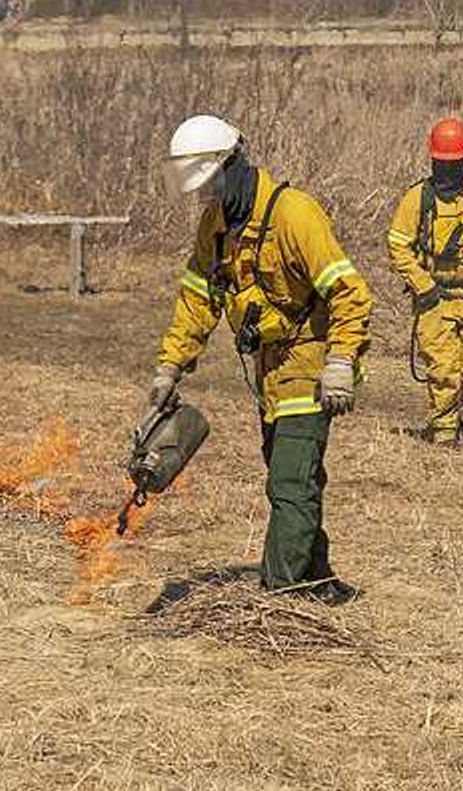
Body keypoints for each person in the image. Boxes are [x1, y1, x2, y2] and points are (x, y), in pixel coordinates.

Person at [150, 115, 374, 606]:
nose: (203, 196)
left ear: (232, 165)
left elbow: (350, 293)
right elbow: (198, 300)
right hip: (269, 369)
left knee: (289, 479)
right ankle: (318, 578)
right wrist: (170, 366)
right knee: (292, 470)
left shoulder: (294, 214)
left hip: (311, 362)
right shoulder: (216, 225)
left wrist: (340, 362)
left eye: (208, 184)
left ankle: (283, 597)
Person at [385, 118, 463, 446]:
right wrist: (422, 284)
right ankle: (443, 437)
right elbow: (398, 243)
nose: (449, 170)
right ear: (433, 161)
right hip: (434, 297)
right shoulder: (417, 199)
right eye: (443, 164)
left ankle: (447, 414)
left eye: (454, 164)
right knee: (443, 366)